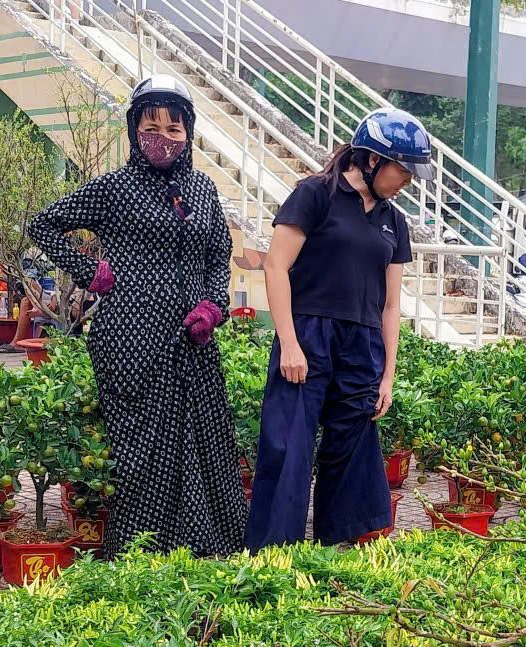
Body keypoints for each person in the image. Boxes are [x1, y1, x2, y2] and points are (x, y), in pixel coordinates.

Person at [27, 75, 247, 558]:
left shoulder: (203, 189)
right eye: (152, 126)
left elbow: (218, 255)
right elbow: (42, 224)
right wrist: (91, 272)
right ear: (134, 129)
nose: (162, 138)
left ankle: (205, 545)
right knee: (146, 450)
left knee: (204, 440)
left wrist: (212, 306)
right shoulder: (115, 188)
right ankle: (143, 551)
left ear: (188, 133)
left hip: (193, 341)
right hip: (131, 338)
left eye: (174, 128)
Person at [244, 108, 432, 550]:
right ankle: (273, 556)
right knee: (288, 446)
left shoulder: (394, 221)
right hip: (308, 334)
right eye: (403, 170)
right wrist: (288, 343)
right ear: (371, 160)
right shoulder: (315, 194)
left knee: (352, 447)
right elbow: (275, 267)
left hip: (362, 343)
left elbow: (390, 305)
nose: (408, 181)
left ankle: (339, 550)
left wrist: (387, 374)